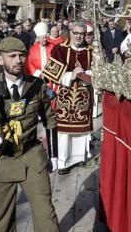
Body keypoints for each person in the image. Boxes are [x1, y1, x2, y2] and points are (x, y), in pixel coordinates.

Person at [0, 37, 60, 232]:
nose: (18, 60)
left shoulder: (36, 86)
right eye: (12, 56)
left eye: (22, 55)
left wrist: (53, 154)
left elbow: (50, 119)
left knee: (46, 216)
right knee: (2, 222)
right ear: (1, 60)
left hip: (31, 158)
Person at [43, 21, 93, 174]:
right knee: (64, 133)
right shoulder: (60, 49)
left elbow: (98, 72)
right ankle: (63, 163)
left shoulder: (91, 51)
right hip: (65, 95)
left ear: (85, 35)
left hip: (83, 96)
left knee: (81, 132)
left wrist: (86, 74)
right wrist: (72, 75)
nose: (78, 36)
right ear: (71, 33)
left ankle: (78, 158)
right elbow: (51, 73)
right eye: (76, 33)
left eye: (81, 34)